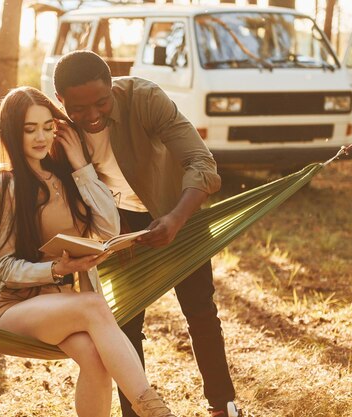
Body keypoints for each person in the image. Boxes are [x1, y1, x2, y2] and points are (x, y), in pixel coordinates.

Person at [0, 86, 178, 417]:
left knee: (96, 361)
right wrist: (56, 270)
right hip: (11, 307)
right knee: (94, 305)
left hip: (60, 303)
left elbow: (109, 228)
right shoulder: (3, 188)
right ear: (11, 132)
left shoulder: (66, 177)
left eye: (47, 126)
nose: (41, 137)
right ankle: (154, 410)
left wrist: (82, 167)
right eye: (30, 129)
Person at [53, 51, 239, 417]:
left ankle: (223, 406)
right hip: (115, 227)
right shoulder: (57, 127)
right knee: (124, 323)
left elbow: (202, 163)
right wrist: (105, 230)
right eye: (78, 108)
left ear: (113, 87)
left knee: (200, 310)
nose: (91, 116)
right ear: (62, 101)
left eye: (101, 102)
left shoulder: (145, 98)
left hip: (175, 211)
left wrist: (176, 218)